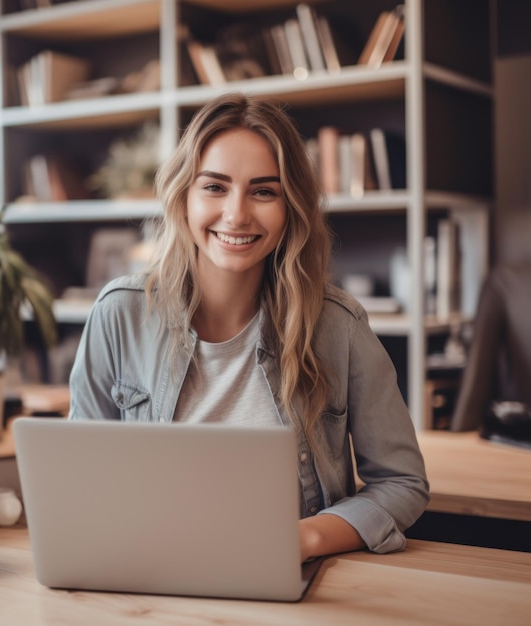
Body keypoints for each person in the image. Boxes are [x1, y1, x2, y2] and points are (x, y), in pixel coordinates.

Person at [69, 92, 429, 562]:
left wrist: (305, 539)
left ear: (290, 207)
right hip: (148, 568)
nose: (237, 214)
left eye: (263, 191)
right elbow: (79, 476)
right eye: (215, 187)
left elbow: (403, 482)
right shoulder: (119, 314)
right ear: (183, 196)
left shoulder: (339, 327)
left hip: (285, 574)